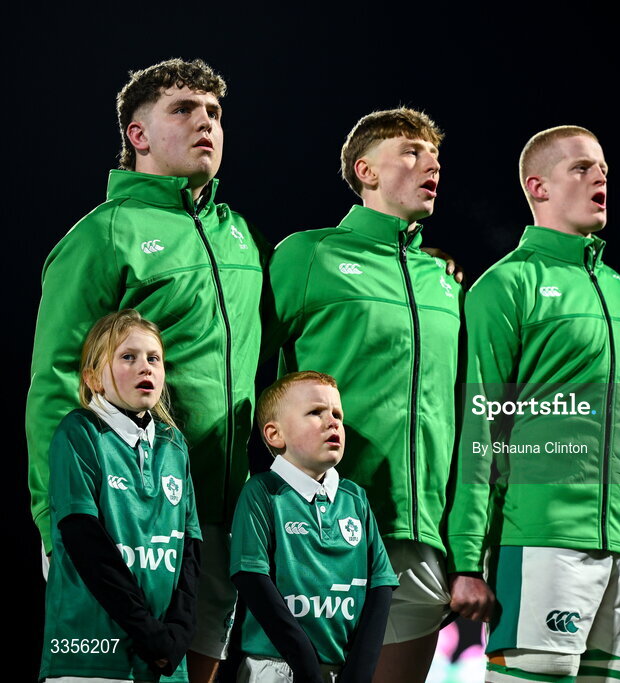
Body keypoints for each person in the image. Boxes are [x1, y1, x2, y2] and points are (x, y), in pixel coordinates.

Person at [26, 58, 265, 682]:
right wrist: (55, 521)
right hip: (126, 517)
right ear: (138, 135)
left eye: (214, 112)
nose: (205, 123)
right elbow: (55, 381)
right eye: (183, 110)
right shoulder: (103, 235)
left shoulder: (239, 234)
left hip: (217, 513)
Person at [446, 125, 620, 683]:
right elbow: (480, 430)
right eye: (581, 167)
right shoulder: (505, 285)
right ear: (538, 187)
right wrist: (466, 558)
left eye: (602, 167)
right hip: (542, 539)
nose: (599, 176)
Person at [262, 108, 461, 683]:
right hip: (316, 523)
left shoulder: (443, 282)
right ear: (365, 171)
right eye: (411, 151)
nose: (431, 165)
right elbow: (251, 376)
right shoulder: (307, 254)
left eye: (436, 156)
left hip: (419, 531)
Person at [40, 309, 200, 682]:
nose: (145, 367)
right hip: (90, 654)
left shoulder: (175, 445)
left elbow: (190, 548)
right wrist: (148, 632)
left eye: (154, 358)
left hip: (163, 659)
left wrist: (179, 632)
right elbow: (85, 542)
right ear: (93, 378)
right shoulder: (79, 432)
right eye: (128, 357)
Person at [231, 371, 398, 683]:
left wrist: (358, 674)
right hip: (276, 668)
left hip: (340, 672)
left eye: (337, 414)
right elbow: (251, 577)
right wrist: (305, 665)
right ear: (274, 434)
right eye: (315, 412)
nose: (333, 422)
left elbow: (381, 587)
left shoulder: (356, 499)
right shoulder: (262, 492)